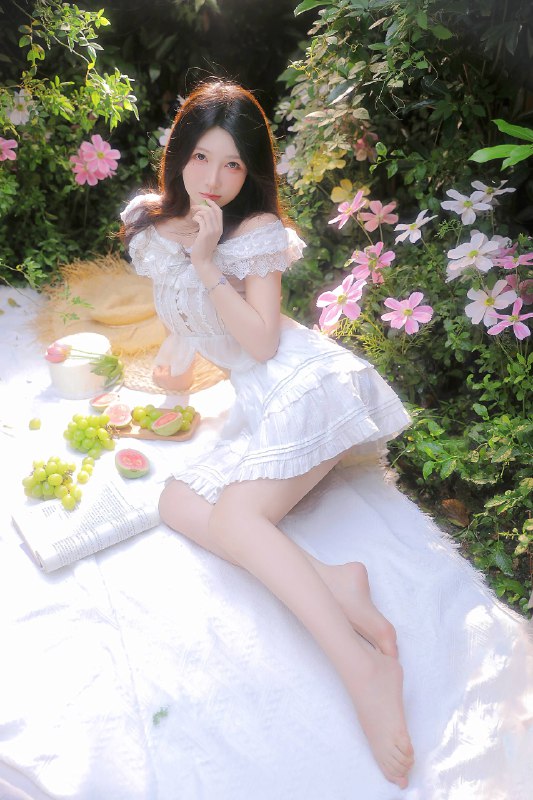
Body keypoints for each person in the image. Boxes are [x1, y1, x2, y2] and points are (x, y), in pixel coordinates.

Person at [120, 80, 415, 789]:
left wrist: (207, 261)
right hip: (257, 401)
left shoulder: (253, 233)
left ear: (250, 171)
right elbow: (185, 311)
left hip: (304, 385)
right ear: (177, 156)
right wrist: (176, 360)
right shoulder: (155, 227)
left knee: (235, 518)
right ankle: (334, 581)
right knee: (174, 502)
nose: (214, 179)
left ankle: (364, 671)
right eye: (201, 157)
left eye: (233, 164)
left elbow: (260, 343)